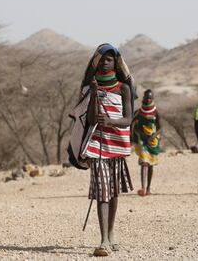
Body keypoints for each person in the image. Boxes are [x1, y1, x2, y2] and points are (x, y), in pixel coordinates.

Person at [68, 43, 134, 256]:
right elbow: (91, 118)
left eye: (109, 59)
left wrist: (112, 120)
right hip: (97, 146)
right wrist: (95, 92)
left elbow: (128, 119)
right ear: (95, 62)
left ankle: (112, 233)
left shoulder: (123, 88)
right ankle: (104, 239)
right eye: (102, 59)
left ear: (115, 62)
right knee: (102, 193)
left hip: (117, 146)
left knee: (113, 192)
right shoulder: (89, 89)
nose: (105, 62)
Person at [132, 89, 162, 196]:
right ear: (143, 98)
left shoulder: (155, 112)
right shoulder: (138, 112)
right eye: (146, 97)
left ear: (152, 99)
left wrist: (154, 135)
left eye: (150, 97)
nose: (148, 99)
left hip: (152, 141)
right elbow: (131, 122)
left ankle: (148, 188)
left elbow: (160, 128)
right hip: (142, 140)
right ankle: (143, 188)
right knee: (144, 162)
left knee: (150, 164)